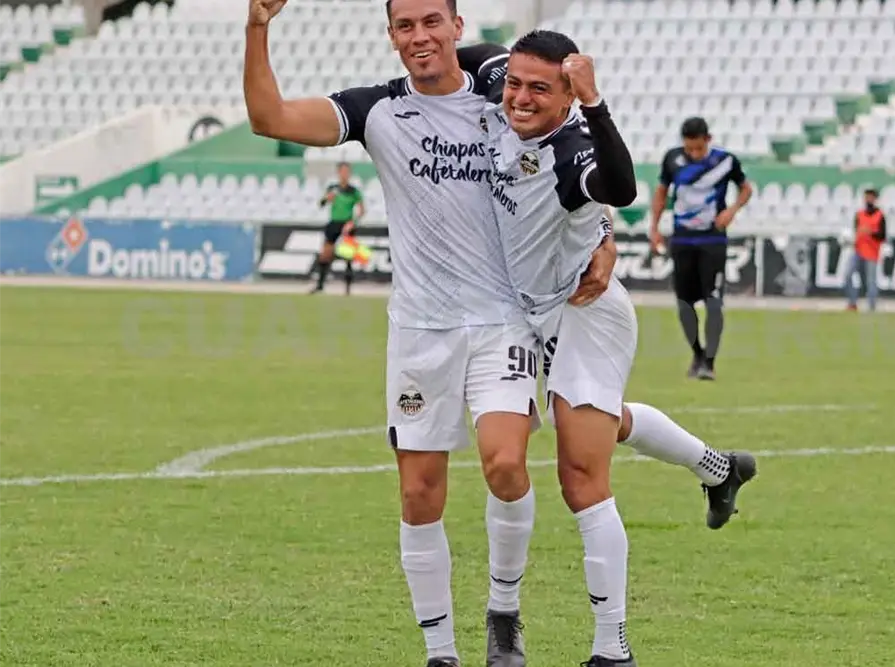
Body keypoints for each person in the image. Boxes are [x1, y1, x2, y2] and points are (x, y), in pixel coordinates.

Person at [241, 2, 615, 666]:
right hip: (419, 330)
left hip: (501, 319)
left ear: (456, 26)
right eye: (405, 25)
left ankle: (503, 609)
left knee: (504, 464)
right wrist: (257, 28)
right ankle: (439, 650)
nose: (420, 36)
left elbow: (573, 152)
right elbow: (268, 118)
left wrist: (606, 235)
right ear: (390, 35)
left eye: (430, 22)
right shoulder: (375, 111)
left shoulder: (504, 90)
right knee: (419, 492)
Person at [470, 31, 758, 666]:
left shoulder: (573, 149)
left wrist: (595, 105)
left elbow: (622, 189)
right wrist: (438, 52)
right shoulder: (503, 87)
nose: (519, 96)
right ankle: (719, 467)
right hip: (521, 315)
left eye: (539, 88)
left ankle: (612, 649)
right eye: (514, 83)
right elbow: (475, 53)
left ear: (569, 94)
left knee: (580, 473)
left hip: (586, 312)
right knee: (601, 423)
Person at [648, 117, 752, 380]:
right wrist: (655, 226)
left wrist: (732, 211)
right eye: (689, 149)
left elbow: (746, 189)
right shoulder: (672, 159)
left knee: (714, 301)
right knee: (684, 303)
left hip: (713, 240)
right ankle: (697, 353)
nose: (694, 154)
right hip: (682, 240)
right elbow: (661, 192)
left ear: (708, 140)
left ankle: (710, 362)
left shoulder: (726, 161)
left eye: (698, 149)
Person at [311, 161, 365, 295]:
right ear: (338, 172)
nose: (345, 174)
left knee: (348, 256)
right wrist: (327, 198)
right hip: (334, 223)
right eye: (342, 171)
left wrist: (353, 222)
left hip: (347, 224)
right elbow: (321, 204)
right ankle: (320, 285)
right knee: (325, 254)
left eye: (347, 171)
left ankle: (347, 289)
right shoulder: (333, 188)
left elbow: (362, 210)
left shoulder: (354, 191)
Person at [844, 188, 887, 312]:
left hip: (872, 253)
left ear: (875, 199)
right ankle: (852, 302)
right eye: (866, 196)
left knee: (870, 281)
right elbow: (856, 230)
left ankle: (872, 306)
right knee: (847, 275)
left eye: (870, 197)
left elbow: (883, 235)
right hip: (858, 250)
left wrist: (871, 232)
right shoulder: (859, 214)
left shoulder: (880, 216)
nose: (868, 199)